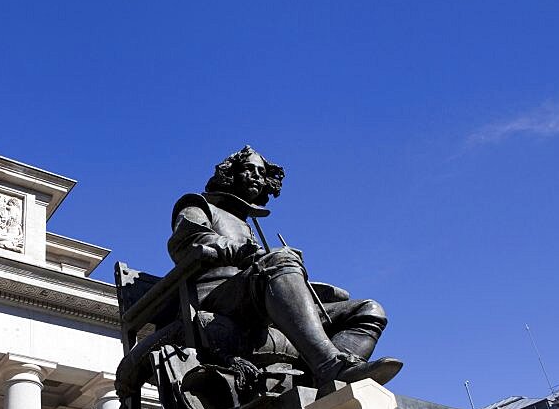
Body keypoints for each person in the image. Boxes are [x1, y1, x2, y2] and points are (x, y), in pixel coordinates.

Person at [167, 145, 402, 388]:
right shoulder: (198, 205)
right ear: (229, 174)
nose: (257, 176)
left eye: (261, 172)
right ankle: (328, 366)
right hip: (217, 297)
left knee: (368, 311)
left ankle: (325, 377)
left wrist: (309, 287)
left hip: (258, 303)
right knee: (279, 259)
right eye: (249, 169)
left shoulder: (246, 224)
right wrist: (244, 251)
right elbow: (186, 242)